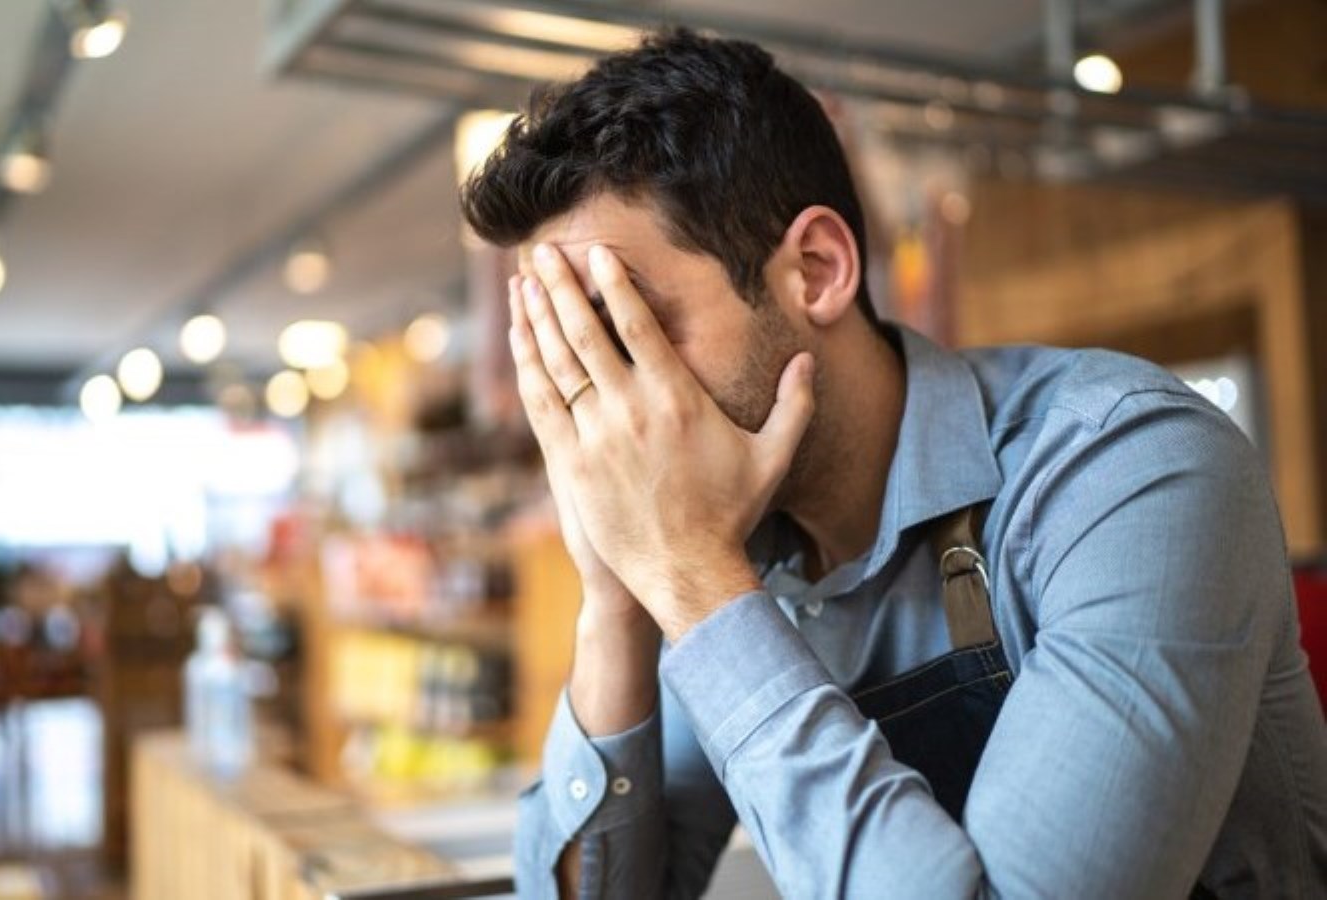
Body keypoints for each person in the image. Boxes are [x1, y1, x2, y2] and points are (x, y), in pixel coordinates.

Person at [459, 28, 1327, 899]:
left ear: (818, 269)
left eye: (627, 331)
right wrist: (614, 597)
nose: (608, 408)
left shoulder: (1127, 468)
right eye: (569, 355)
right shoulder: (731, 540)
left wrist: (689, 575)